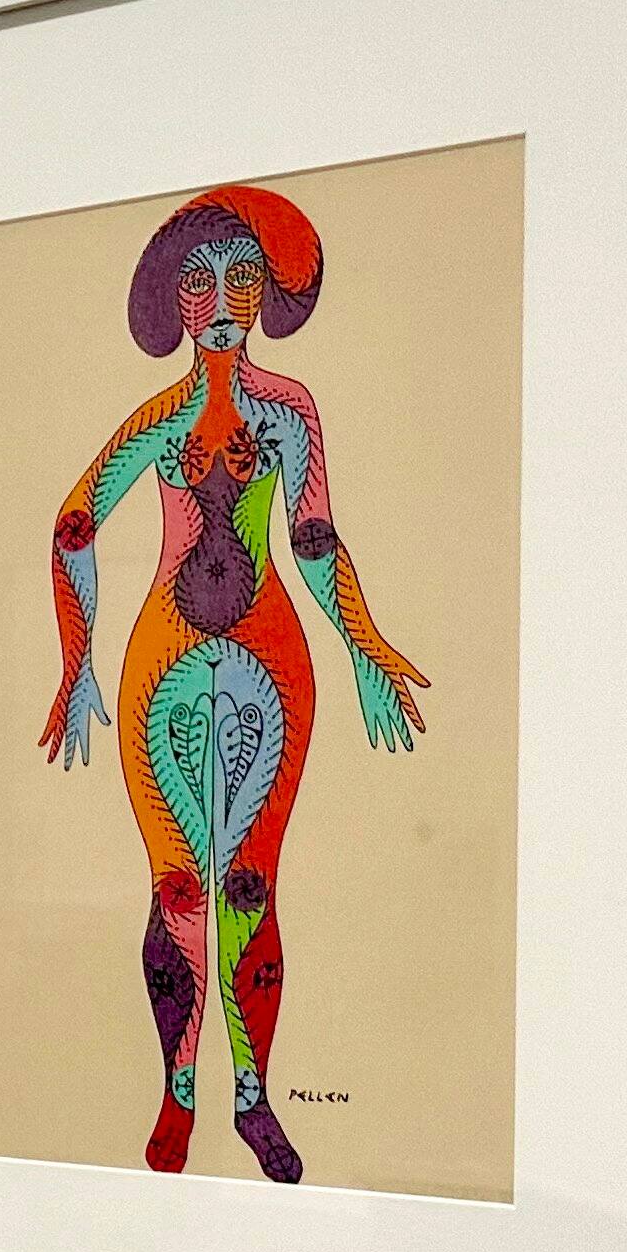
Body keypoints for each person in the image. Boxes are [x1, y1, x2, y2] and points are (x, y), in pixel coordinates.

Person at [38, 184, 428, 1182]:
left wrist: (365, 647)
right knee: (178, 886)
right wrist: (76, 665)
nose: (220, 301)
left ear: (263, 295)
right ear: (174, 300)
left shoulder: (291, 412)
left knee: (250, 883)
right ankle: (179, 1093)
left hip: (272, 664)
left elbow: (314, 538)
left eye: (241, 277)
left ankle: (253, 1100)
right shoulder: (158, 420)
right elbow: (74, 526)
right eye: (200, 281)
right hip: (164, 664)